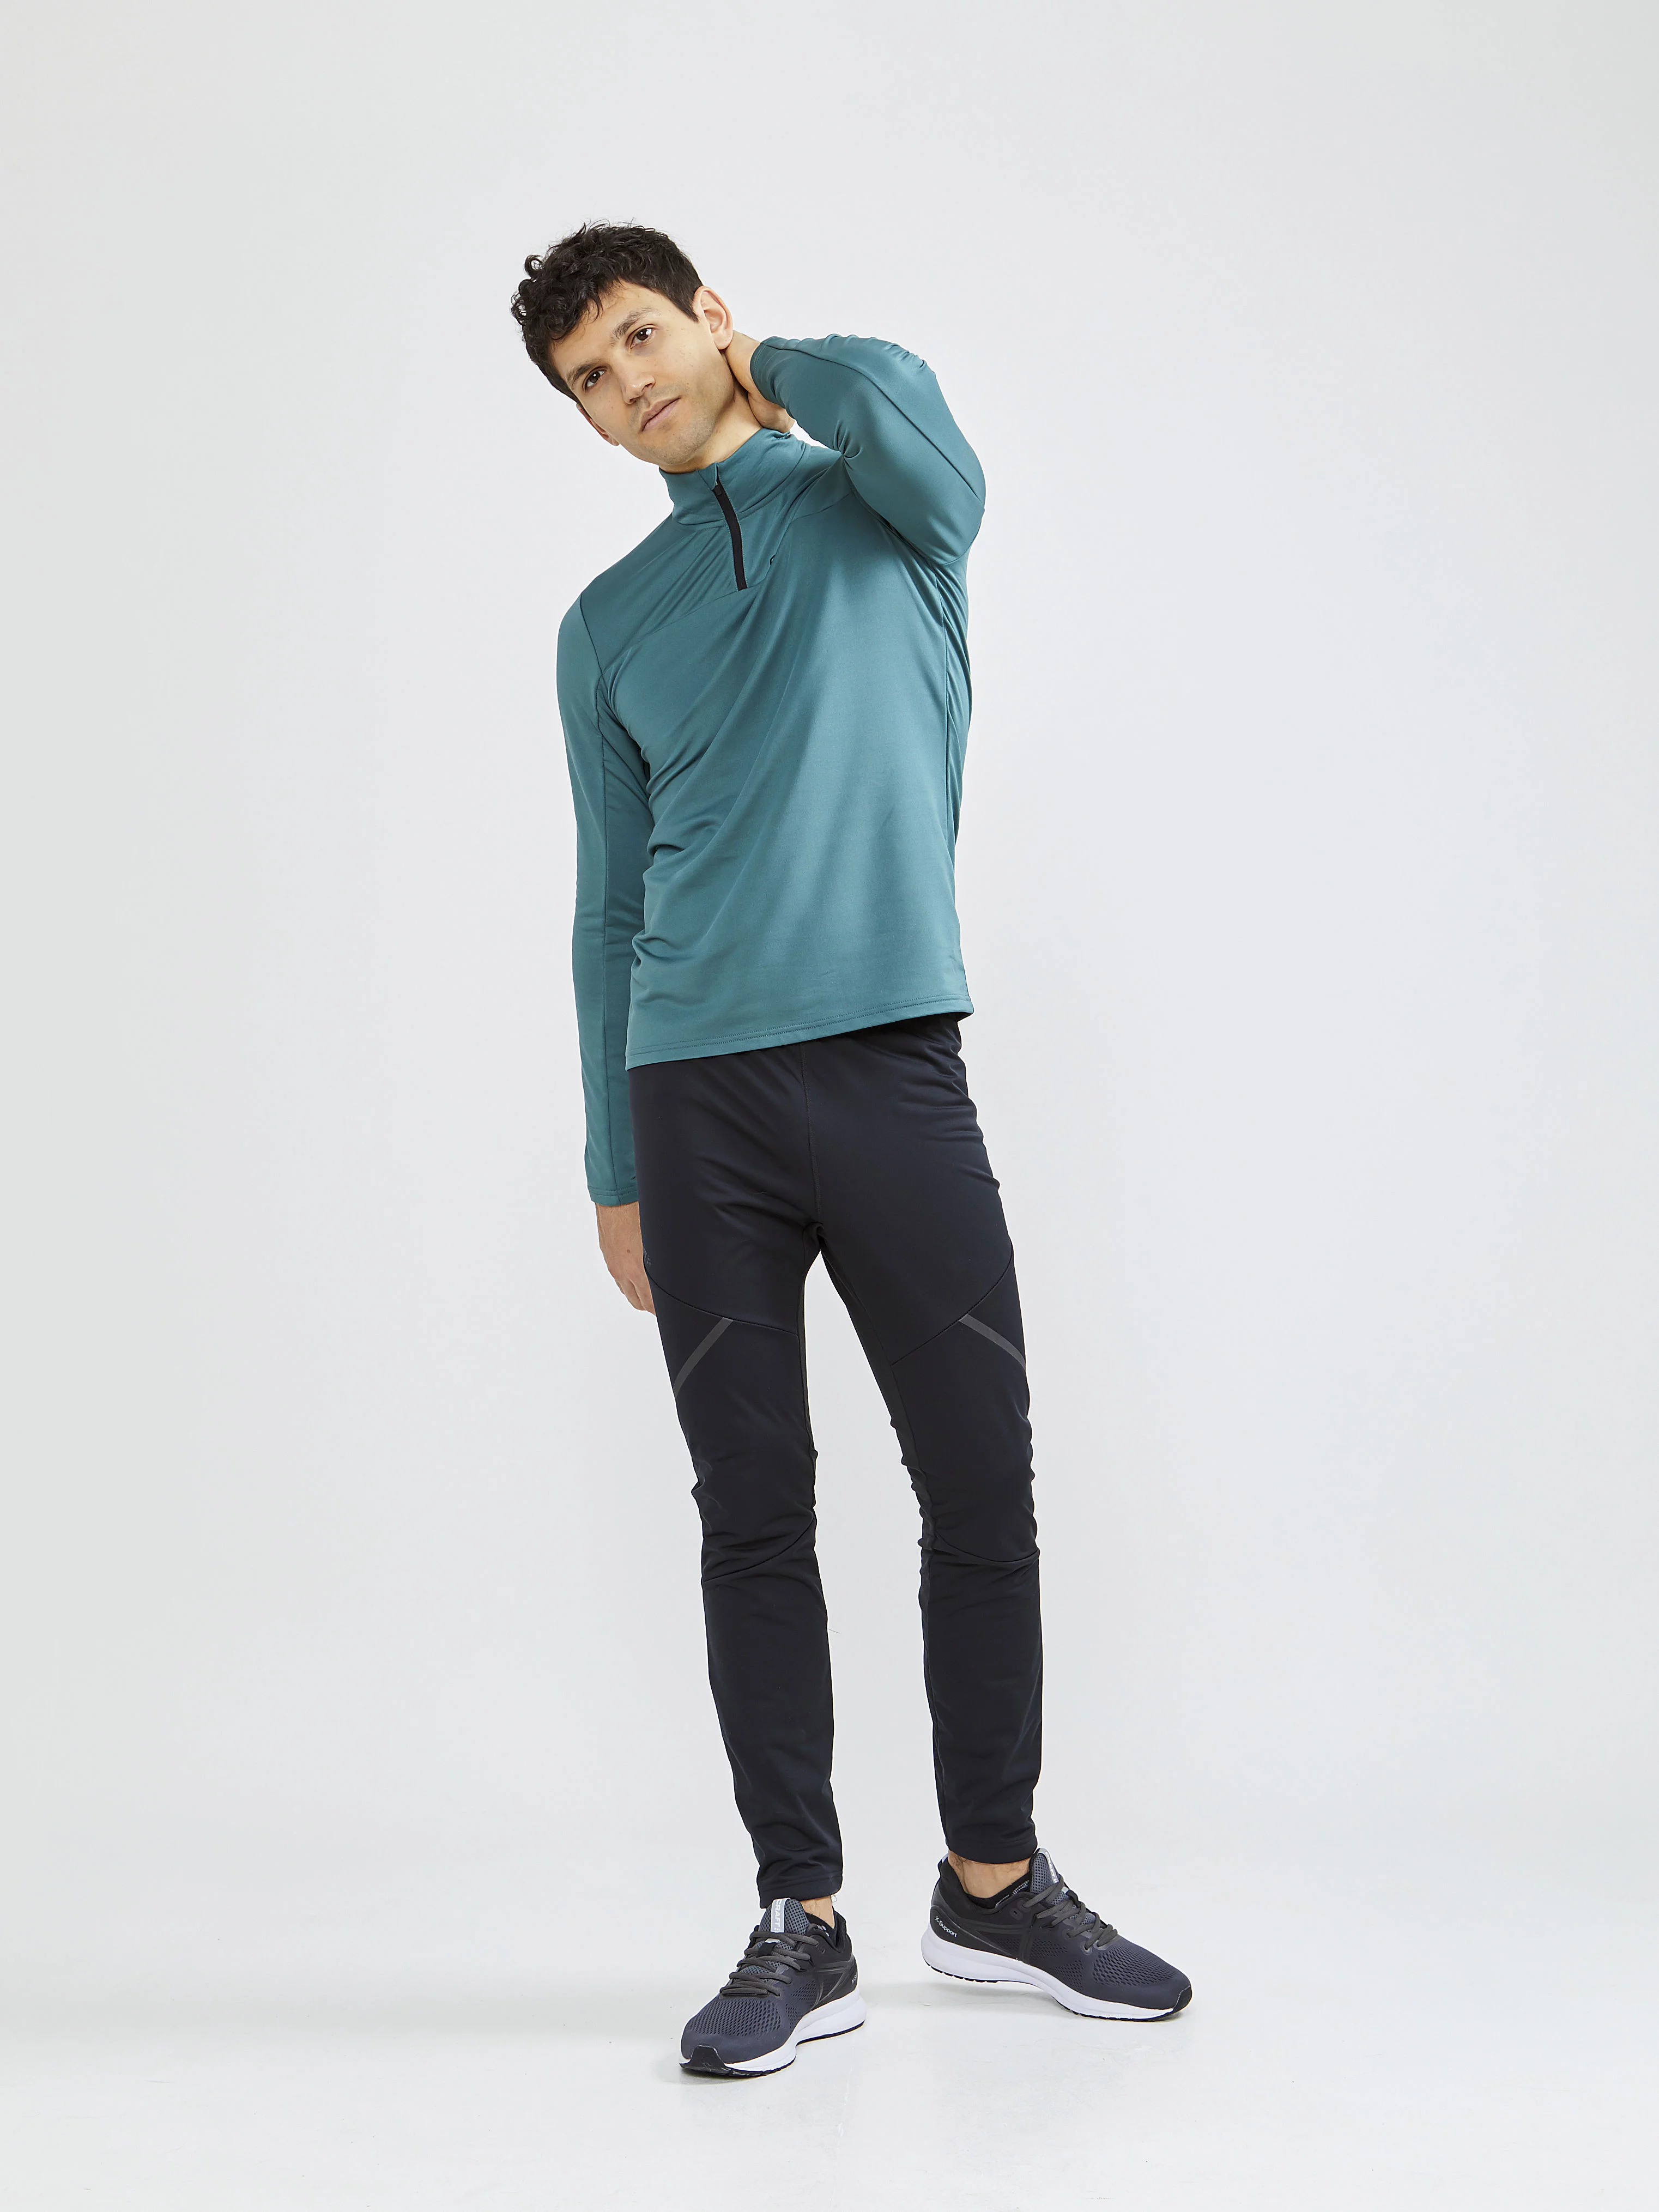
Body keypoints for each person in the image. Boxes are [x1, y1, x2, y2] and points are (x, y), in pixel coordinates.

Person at [510, 223, 1192, 2076]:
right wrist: (611, 1162)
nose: (628, 384)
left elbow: (909, 419)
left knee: (979, 1482)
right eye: (590, 379)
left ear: (710, 315)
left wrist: (771, 366)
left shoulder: (888, 512)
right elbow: (604, 906)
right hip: (693, 1099)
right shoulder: (603, 628)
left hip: (892, 1064)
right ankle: (796, 1918)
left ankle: (994, 1884)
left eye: (641, 336)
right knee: (751, 1510)